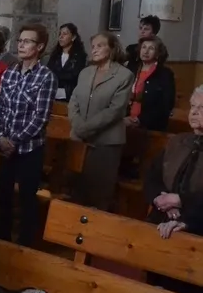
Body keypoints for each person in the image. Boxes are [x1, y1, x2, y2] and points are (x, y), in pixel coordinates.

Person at [0, 22, 57, 246]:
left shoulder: (45, 77)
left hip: (29, 149)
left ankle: (26, 247)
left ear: (39, 47)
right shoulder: (10, 73)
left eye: (27, 41)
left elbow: (40, 119)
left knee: (27, 200)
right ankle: (2, 243)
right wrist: (0, 137)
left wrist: (14, 141)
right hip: (5, 147)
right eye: (19, 41)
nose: (21, 45)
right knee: (3, 196)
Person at [142, 85, 203, 293]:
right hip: (162, 219)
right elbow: (152, 176)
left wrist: (180, 201)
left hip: (196, 225)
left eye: (202, 108)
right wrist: (159, 200)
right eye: (193, 107)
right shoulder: (178, 141)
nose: (195, 112)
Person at [68, 32, 134, 211]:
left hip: (106, 143)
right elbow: (73, 100)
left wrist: (84, 128)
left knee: (99, 194)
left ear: (112, 48)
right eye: (93, 46)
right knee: (76, 191)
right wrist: (77, 124)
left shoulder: (124, 75)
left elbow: (115, 110)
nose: (95, 50)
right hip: (79, 140)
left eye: (100, 45)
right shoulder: (85, 72)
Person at [125, 35, 175, 132]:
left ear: (158, 53)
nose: (146, 51)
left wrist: (139, 120)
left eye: (151, 48)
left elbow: (166, 104)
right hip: (126, 121)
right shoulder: (132, 69)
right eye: (144, 47)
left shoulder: (165, 73)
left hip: (150, 126)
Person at [45, 22, 87, 101]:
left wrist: (57, 76)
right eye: (60, 34)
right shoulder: (54, 56)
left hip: (69, 94)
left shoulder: (80, 57)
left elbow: (75, 76)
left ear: (73, 37)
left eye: (65, 34)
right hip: (52, 93)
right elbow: (48, 73)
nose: (61, 37)